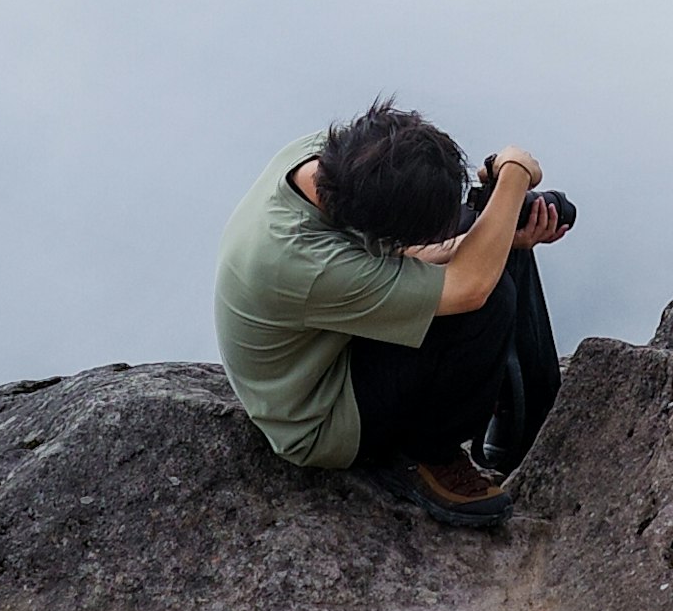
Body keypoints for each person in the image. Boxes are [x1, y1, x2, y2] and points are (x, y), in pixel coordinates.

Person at [211, 99, 573, 526]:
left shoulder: (327, 158)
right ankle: (429, 456)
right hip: (320, 413)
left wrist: (496, 219)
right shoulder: (302, 261)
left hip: (326, 337)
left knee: (481, 230)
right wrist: (514, 177)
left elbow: (405, 246)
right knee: (489, 298)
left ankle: (511, 404)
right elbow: (469, 289)